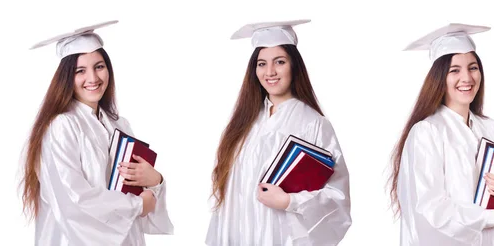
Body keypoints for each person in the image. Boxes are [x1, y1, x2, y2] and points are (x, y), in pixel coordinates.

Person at [20, 20, 173, 245]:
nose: (93, 78)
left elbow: (135, 190)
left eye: (99, 66)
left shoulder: (119, 124)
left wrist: (156, 180)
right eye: (80, 71)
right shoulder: (62, 126)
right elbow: (74, 200)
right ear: (66, 78)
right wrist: (139, 205)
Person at [389, 23, 494, 245]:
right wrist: (491, 217)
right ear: (439, 78)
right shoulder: (427, 133)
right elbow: (429, 210)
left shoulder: (491, 128)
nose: (467, 78)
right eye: (454, 70)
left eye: (473, 67)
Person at [205, 19, 351, 245]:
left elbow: (336, 195)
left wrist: (289, 201)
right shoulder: (242, 123)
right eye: (261, 64)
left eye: (279, 62)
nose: (270, 71)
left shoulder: (314, 123)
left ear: (294, 66)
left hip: (282, 237)